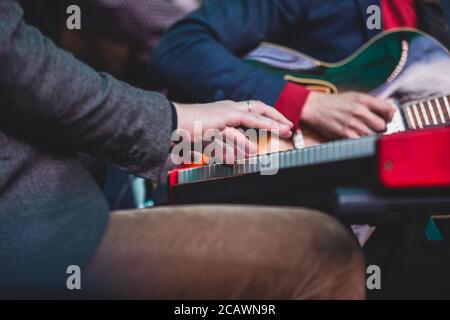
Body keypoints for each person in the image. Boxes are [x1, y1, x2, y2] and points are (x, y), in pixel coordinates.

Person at [0, 0, 365, 299]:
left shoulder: (416, 25)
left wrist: (171, 136)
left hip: (75, 183)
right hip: (31, 232)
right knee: (326, 251)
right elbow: (22, 69)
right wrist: (175, 122)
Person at [151, 0, 450, 140]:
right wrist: (306, 104)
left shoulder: (435, 16)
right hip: (281, 198)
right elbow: (180, 47)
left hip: (401, 225)